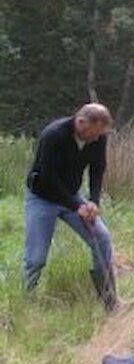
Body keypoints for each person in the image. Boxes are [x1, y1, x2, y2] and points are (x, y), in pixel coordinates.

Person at [23, 103, 117, 311]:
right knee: (36, 258)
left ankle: (109, 300)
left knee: (102, 238)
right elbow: (49, 179)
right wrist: (76, 206)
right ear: (80, 122)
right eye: (93, 134)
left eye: (99, 135)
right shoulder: (53, 135)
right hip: (42, 197)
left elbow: (98, 168)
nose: (96, 139)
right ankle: (26, 303)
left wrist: (92, 201)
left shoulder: (98, 136)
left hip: (72, 196)